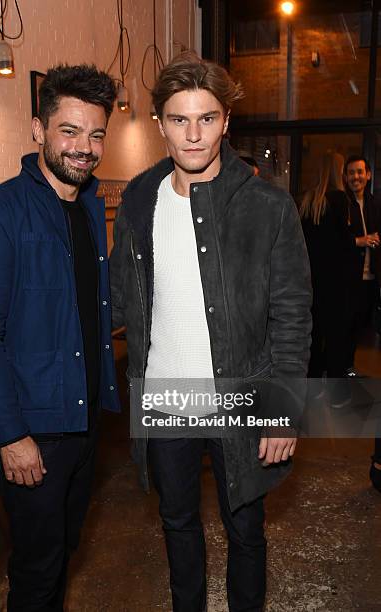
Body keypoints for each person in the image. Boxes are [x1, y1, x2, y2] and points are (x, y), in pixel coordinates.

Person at [110, 52, 312, 612]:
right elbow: (120, 296)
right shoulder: (139, 201)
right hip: (167, 398)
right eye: (179, 119)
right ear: (159, 124)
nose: (194, 135)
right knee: (177, 525)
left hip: (241, 394)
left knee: (246, 529)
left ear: (226, 121)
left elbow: (292, 314)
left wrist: (283, 410)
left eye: (207, 118)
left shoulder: (267, 206)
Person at [0, 64, 120, 611]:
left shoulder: (90, 209)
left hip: (86, 419)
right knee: (35, 569)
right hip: (37, 434)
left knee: (64, 550)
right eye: (69, 131)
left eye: (96, 134)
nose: (84, 147)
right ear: (38, 129)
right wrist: (10, 436)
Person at [300, 152, 354, 405]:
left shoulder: (310, 200)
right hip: (336, 280)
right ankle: (335, 394)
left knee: (316, 332)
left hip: (313, 278)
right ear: (337, 171)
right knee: (336, 336)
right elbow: (345, 243)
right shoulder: (340, 199)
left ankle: (311, 388)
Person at [343, 156, 381, 493]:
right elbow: (334, 244)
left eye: (361, 172)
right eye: (352, 172)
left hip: (372, 280)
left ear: (368, 176)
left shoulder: (374, 203)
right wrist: (360, 241)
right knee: (349, 326)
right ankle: (345, 371)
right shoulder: (342, 205)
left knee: (364, 330)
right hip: (350, 280)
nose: (357, 177)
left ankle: (352, 367)